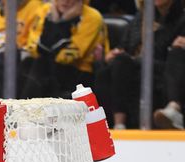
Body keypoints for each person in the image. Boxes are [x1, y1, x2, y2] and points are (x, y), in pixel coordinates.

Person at [95, 0, 184, 129]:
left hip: (162, 66)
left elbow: (163, 51)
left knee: (123, 63)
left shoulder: (181, 18)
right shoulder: (141, 17)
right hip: (134, 64)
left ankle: (173, 109)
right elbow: (124, 45)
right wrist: (113, 54)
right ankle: (117, 125)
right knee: (108, 70)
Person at [20, 0, 108, 99]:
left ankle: (27, 107)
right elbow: (33, 48)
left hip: (79, 72)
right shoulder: (44, 11)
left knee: (40, 65)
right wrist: (54, 20)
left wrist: (63, 22)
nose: (66, 1)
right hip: (45, 66)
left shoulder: (92, 17)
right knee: (27, 63)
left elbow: (67, 57)